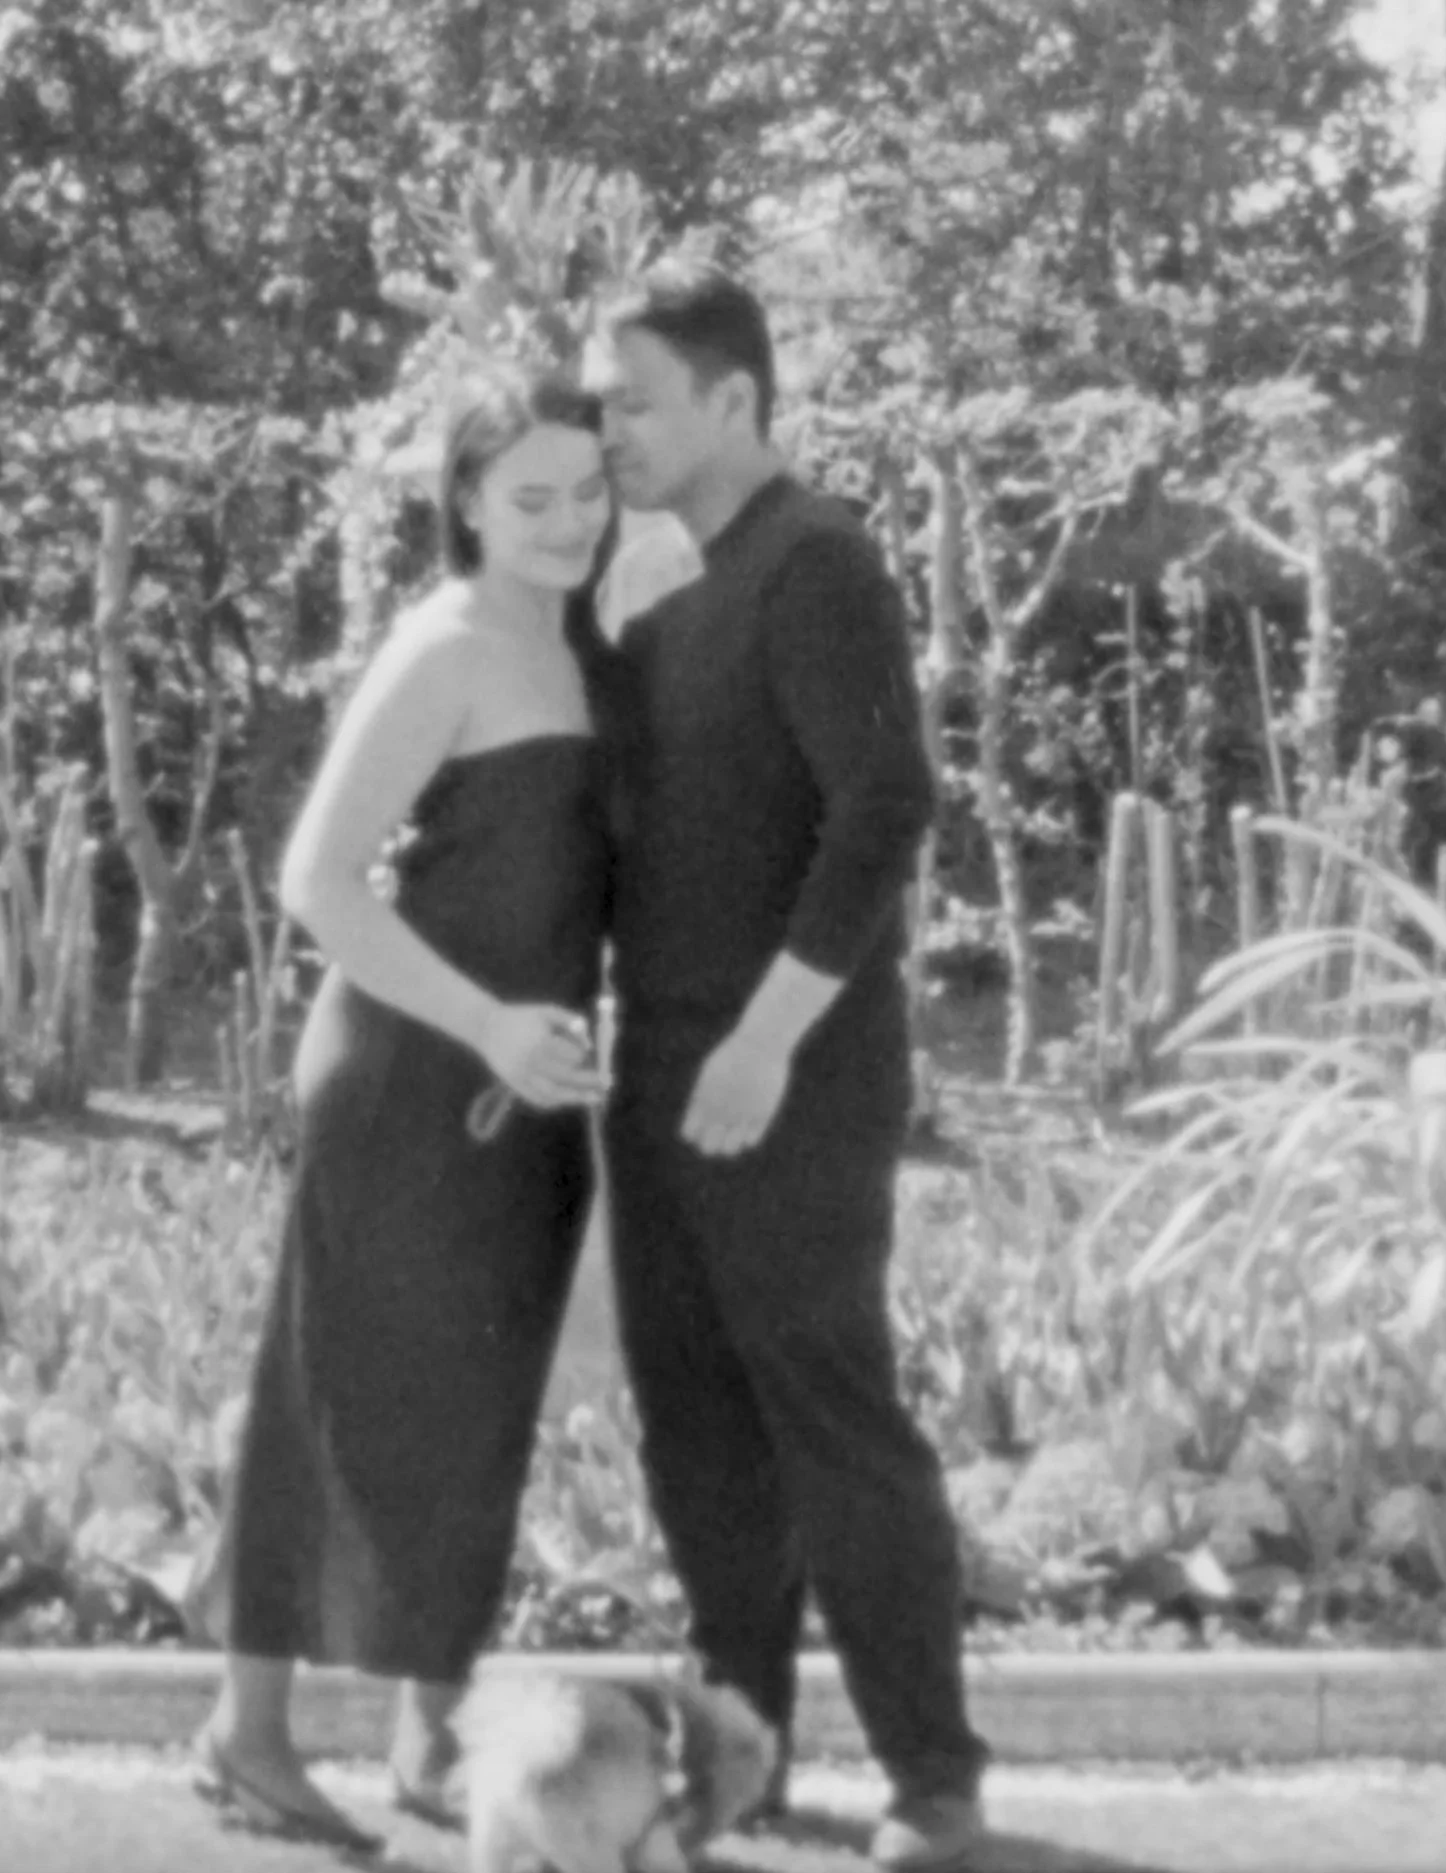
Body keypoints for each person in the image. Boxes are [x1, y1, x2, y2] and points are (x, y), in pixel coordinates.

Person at [583, 261, 993, 1872]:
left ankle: (936, 1787)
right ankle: (736, 1763)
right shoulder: (677, 587)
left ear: (736, 399)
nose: (610, 431)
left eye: (635, 403)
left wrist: (764, 1041)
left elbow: (884, 808)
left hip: (787, 1077)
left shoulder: (815, 560)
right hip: (660, 1068)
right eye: (601, 405)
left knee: (831, 1422)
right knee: (697, 1433)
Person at [189, 367, 618, 1853]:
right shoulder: (445, 646)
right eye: (531, 497)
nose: (567, 522)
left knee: (479, 1414)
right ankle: (245, 1740)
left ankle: (430, 1745)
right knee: (338, 1407)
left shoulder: (583, 640)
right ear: (467, 504)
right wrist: (489, 1023)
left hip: (529, 1087)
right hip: (410, 1075)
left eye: (588, 491)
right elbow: (314, 879)